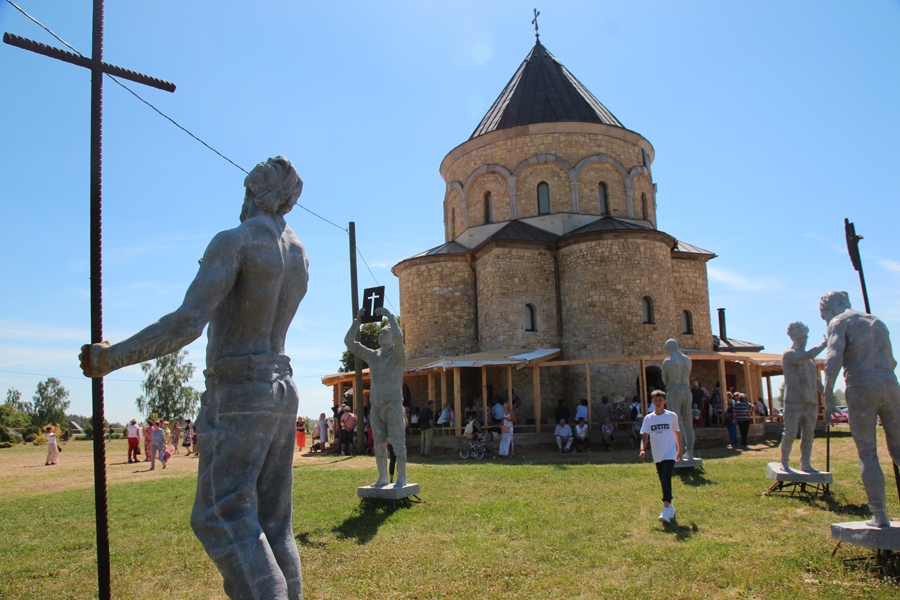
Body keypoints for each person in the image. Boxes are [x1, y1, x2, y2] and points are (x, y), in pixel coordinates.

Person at [79, 156, 308, 599]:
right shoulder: (298, 253)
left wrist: (109, 359)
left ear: (252, 195)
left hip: (239, 388)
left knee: (221, 515)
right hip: (282, 387)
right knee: (274, 523)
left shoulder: (235, 241)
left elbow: (186, 323)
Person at [821, 291, 900, 527]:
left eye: (823, 315)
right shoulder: (876, 321)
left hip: (861, 384)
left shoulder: (840, 322)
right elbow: (892, 360)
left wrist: (827, 392)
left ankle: (879, 514)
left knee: (868, 452)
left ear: (831, 308)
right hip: (890, 383)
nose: (825, 320)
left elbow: (833, 357)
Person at [345, 306, 408, 488]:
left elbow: (399, 337)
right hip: (377, 405)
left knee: (397, 443)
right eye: (380, 333)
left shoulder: (398, 354)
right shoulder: (373, 356)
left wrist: (389, 316)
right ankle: (383, 477)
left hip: (393, 403)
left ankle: (402, 477)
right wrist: (357, 322)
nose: (381, 335)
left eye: (385, 332)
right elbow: (349, 342)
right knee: (379, 443)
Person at [780, 321, 827, 471]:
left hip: (810, 401)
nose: (803, 340)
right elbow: (807, 355)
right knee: (790, 432)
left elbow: (815, 379)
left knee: (808, 434)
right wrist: (824, 344)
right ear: (793, 337)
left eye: (805, 337)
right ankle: (784, 461)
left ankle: (805, 463)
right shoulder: (790, 354)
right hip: (794, 400)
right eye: (800, 337)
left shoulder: (810, 361)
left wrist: (827, 394)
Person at [640, 390, 682, 525]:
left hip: (670, 453)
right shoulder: (648, 418)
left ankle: (665, 510)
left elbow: (676, 433)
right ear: (652, 402)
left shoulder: (671, 416)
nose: (658, 403)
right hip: (657, 454)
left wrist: (679, 450)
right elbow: (645, 435)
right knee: (662, 480)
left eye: (660, 400)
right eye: (655, 400)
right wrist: (642, 449)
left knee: (666, 477)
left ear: (665, 402)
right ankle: (670, 506)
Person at [662, 339, 695, 460]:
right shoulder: (687, 360)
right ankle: (690, 452)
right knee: (687, 422)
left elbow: (665, 379)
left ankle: (679, 452)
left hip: (674, 390)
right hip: (686, 390)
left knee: (676, 423)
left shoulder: (668, 361)